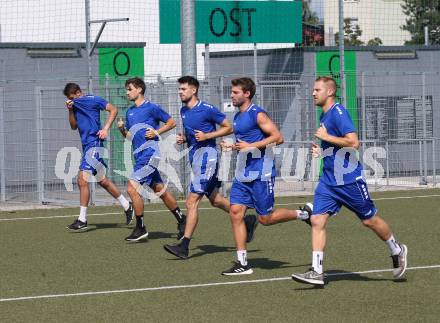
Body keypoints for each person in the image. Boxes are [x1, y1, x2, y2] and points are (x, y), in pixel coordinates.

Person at [291, 76, 408, 286]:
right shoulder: (324, 115)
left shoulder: (338, 113)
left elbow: (354, 142)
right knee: (317, 220)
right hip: (329, 180)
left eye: (317, 89)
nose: (313, 93)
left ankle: (396, 249)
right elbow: (337, 146)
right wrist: (323, 150)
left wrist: (326, 138)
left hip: (349, 181)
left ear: (329, 92)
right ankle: (316, 271)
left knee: (369, 220)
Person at [221, 77, 312, 276]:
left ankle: (304, 214)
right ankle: (242, 263)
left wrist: (251, 146)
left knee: (265, 219)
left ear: (247, 94)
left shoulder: (258, 114)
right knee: (235, 213)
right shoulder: (237, 117)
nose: (231, 95)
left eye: (235, 92)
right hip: (243, 174)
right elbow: (244, 142)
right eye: (232, 91)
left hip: (261, 173)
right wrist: (231, 145)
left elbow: (278, 138)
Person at [163, 75, 246, 259]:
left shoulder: (207, 109)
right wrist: (184, 138)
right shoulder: (184, 110)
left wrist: (208, 136)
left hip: (208, 159)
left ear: (194, 90)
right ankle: (246, 220)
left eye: (183, 89)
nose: (180, 92)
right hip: (195, 158)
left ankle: (184, 246)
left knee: (191, 202)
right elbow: (191, 133)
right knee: (216, 200)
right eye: (179, 89)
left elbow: (228, 127)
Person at [117, 77, 186, 242]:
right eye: (127, 89)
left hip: (151, 154)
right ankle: (183, 220)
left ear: (139, 89)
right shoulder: (130, 112)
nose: (127, 92)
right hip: (140, 156)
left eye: (130, 89)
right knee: (159, 189)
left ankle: (140, 228)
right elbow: (131, 137)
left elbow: (171, 122)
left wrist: (157, 132)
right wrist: (121, 130)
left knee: (132, 189)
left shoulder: (151, 107)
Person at [63, 82, 133, 231]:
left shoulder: (92, 99)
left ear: (78, 93)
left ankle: (82, 220)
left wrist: (105, 128)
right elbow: (73, 126)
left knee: (82, 179)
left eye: (72, 98)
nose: (71, 100)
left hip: (95, 143)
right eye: (69, 99)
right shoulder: (75, 105)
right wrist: (70, 110)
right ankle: (127, 206)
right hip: (86, 145)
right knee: (103, 181)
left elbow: (113, 109)